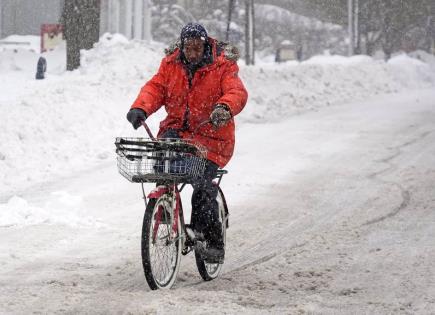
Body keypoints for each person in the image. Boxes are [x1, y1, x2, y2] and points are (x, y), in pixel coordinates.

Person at [126, 22, 248, 263]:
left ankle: (212, 241)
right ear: (181, 47)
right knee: (162, 166)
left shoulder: (223, 65)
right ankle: (166, 206)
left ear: (204, 46)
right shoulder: (171, 64)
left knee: (201, 187)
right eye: (187, 48)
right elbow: (155, 88)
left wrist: (224, 107)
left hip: (211, 137)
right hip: (177, 133)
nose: (192, 53)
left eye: (196, 48)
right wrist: (140, 108)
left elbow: (237, 91)